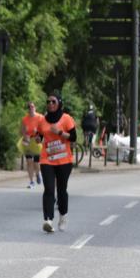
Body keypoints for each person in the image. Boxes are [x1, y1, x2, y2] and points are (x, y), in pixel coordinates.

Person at [37, 93, 76, 233]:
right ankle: (48, 220)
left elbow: (73, 137)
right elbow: (39, 136)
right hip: (47, 159)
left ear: (59, 103)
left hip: (64, 160)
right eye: (48, 102)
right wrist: (36, 138)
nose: (50, 104)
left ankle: (63, 215)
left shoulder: (66, 118)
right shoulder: (42, 120)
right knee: (48, 189)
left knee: (61, 190)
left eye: (53, 101)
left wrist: (59, 132)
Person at [19, 101, 43, 188]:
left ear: (35, 108)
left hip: (36, 141)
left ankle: (38, 173)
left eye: (32, 107)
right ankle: (31, 182)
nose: (31, 108)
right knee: (29, 162)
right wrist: (24, 134)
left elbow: (44, 129)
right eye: (29, 107)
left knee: (36, 162)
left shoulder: (40, 117)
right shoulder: (25, 119)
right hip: (28, 141)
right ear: (28, 109)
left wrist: (38, 132)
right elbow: (21, 131)